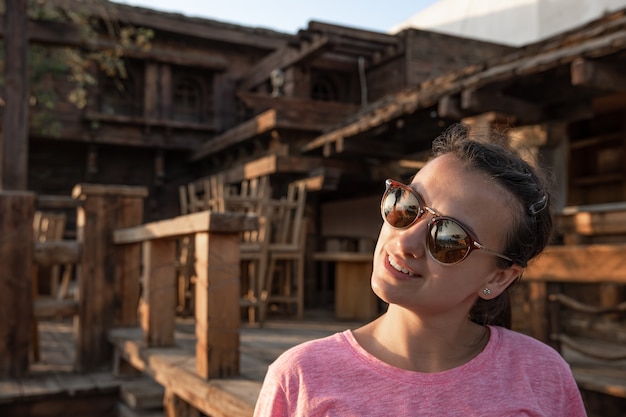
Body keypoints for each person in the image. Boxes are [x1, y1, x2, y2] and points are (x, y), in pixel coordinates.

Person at [253, 123, 587, 417]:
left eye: (449, 237)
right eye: (407, 205)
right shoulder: (301, 377)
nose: (405, 241)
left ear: (498, 277)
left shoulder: (541, 376)